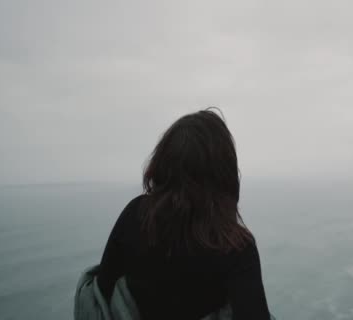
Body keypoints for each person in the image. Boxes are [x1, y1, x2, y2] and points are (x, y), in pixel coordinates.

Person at [97, 109, 271, 320]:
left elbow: (100, 294)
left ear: (162, 161)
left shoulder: (134, 214)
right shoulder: (236, 248)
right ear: (224, 173)